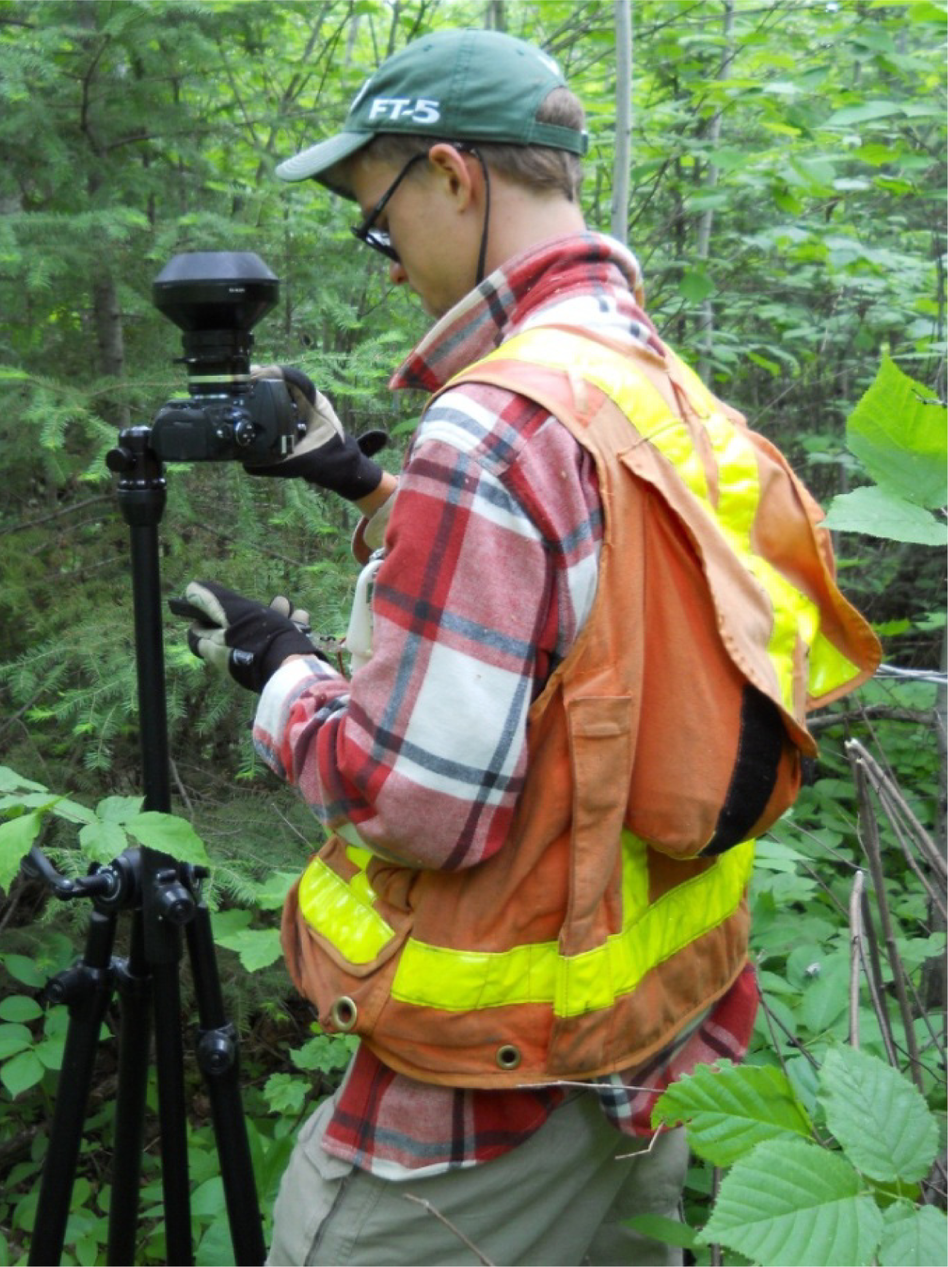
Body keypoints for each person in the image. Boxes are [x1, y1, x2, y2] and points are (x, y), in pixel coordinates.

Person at [181, 28, 881, 1267]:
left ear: (453, 175)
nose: (388, 264)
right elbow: (599, 612)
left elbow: (417, 804)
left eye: (378, 222)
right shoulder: (645, 376)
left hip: (491, 1080)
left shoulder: (489, 426)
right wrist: (363, 485)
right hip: (651, 1032)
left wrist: (279, 670)